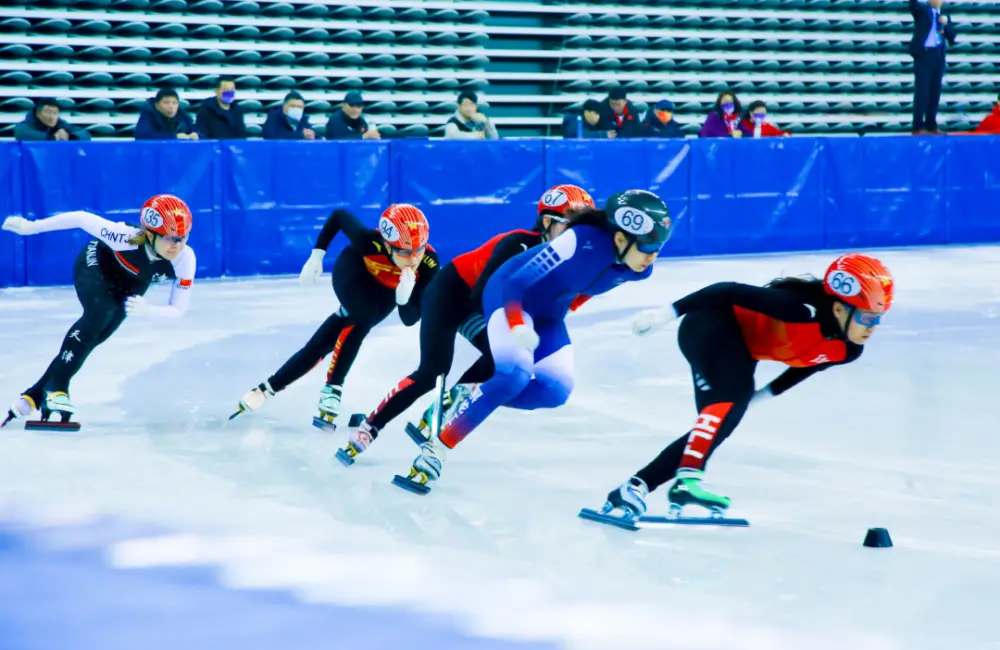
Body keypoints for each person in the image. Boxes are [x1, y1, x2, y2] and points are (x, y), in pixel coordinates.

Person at [396, 190, 673, 491]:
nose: (653, 257)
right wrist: (515, 324)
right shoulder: (578, 240)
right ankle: (436, 451)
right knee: (512, 374)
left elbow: (586, 288)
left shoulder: (637, 272)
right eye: (647, 248)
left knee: (555, 391)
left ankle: (475, 395)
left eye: (658, 248)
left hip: (548, 314)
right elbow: (516, 283)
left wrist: (563, 309)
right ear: (621, 239)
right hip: (509, 297)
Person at [599, 253, 894, 520]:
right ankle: (689, 479)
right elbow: (725, 290)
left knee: (715, 429)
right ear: (840, 309)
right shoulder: (798, 309)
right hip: (710, 324)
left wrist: (761, 396)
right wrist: (667, 313)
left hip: (743, 350)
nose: (872, 327)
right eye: (867, 317)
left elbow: (802, 370)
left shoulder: (848, 350)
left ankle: (634, 488)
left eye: (878, 318)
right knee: (731, 398)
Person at [341, 184, 595, 464]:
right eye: (572, 225)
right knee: (432, 373)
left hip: (480, 303)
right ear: (547, 222)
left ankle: (443, 406)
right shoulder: (518, 243)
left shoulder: (569, 259)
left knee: (500, 360)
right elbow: (483, 292)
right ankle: (370, 427)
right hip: (450, 293)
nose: (578, 235)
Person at [231, 205, 438, 429]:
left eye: (420, 249)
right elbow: (339, 216)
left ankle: (267, 388)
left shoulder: (429, 264)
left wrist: (404, 298)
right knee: (363, 316)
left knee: (332, 336)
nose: (414, 258)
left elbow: (409, 319)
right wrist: (316, 255)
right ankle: (333, 388)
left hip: (386, 291)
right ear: (387, 245)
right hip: (354, 272)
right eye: (405, 253)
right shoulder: (368, 240)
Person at [1, 195, 196, 427]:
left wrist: (149, 311)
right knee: (99, 313)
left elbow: (179, 309)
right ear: (150, 235)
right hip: (96, 266)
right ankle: (58, 387)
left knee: (95, 336)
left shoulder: (185, 260)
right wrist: (33, 227)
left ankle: (34, 395)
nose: (178, 245)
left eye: (183, 238)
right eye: (171, 238)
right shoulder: (125, 237)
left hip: (131, 284)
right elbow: (81, 218)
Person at [908, 0, 957, 135]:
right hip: (924, 55)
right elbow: (912, 5)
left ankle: (931, 124)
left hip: (938, 56)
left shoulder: (945, 15)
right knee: (922, 91)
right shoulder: (923, 11)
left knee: (935, 91)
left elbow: (952, 38)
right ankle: (918, 126)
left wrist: (946, 25)